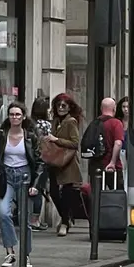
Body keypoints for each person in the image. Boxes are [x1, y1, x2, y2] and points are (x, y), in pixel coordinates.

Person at [0, 101, 45, 267]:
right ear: (8, 116)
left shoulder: (30, 137)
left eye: (17, 114)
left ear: (23, 117)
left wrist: (35, 184)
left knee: (24, 219)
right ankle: (10, 253)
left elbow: (40, 162)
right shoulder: (1, 135)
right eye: (12, 114)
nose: (14, 117)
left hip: (25, 177)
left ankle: (25, 255)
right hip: (6, 176)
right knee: (4, 213)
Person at [45, 93, 82, 237]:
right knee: (53, 192)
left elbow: (75, 143)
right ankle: (66, 218)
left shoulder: (71, 121)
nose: (60, 108)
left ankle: (65, 223)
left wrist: (56, 139)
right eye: (58, 105)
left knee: (66, 194)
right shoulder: (55, 121)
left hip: (68, 162)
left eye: (63, 105)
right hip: (55, 161)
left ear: (69, 107)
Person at [88, 98, 125, 190]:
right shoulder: (116, 123)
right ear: (114, 109)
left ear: (101, 108)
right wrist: (112, 162)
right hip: (111, 166)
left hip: (95, 165)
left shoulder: (94, 123)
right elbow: (118, 143)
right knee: (117, 194)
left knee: (96, 194)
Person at [29, 97, 51, 231]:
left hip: (29, 159)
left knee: (30, 188)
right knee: (38, 188)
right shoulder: (45, 124)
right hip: (42, 159)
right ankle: (35, 220)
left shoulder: (29, 123)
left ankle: (27, 217)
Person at [116, 96, 129, 171]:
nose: (126, 109)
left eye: (128, 107)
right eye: (123, 107)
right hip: (120, 153)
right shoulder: (117, 122)